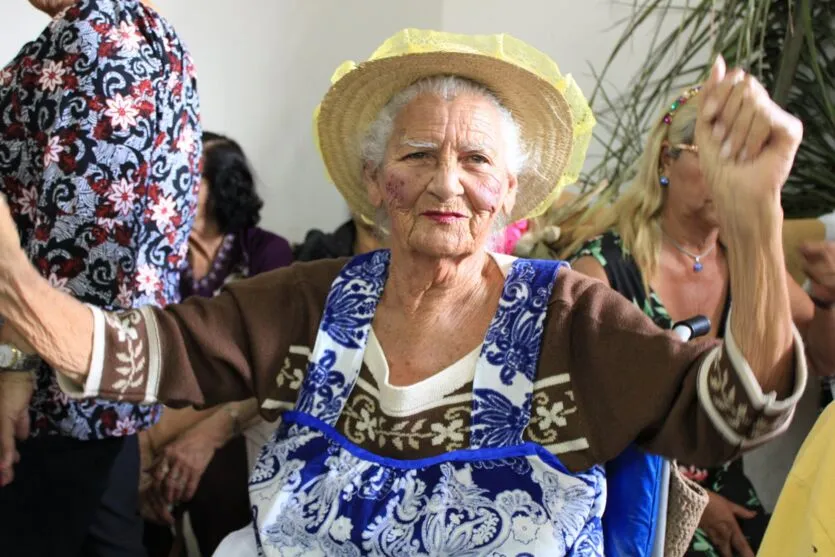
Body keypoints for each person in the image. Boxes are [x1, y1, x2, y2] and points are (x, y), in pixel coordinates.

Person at [0, 29, 812, 556]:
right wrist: (23, 294)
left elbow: (728, 415)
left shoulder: (568, 315)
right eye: (419, 154)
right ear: (374, 181)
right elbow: (138, 352)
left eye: (477, 161)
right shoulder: (310, 303)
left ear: (510, 192)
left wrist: (754, 222)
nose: (447, 182)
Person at [567, 84, 835, 556]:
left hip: (731, 493)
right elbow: (578, 422)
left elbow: (825, 355)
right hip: (632, 494)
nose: (732, 174)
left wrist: (830, 299)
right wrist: (693, 500)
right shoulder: (603, 269)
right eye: (715, 154)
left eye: (745, 158)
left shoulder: (747, 264)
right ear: (666, 162)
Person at [0, 0, 200, 555]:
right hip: (97, 384)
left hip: (49, 392)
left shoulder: (100, 33)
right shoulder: (143, 33)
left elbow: (84, 237)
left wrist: (14, 369)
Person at [138, 132, 292, 556]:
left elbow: (272, 367)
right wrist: (149, 442)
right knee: (124, 485)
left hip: (242, 413)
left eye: (186, 175)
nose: (166, 185)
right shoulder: (157, 254)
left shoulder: (267, 253)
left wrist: (193, 438)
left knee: (215, 484)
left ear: (223, 186)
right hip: (160, 414)